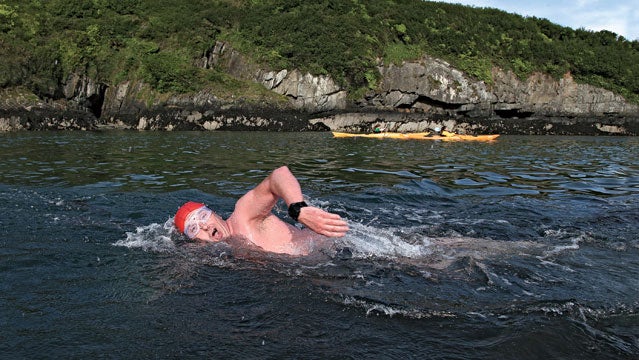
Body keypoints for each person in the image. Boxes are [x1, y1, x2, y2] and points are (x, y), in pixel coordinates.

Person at [174, 166, 349, 255]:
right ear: (194, 241)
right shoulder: (226, 253)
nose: (204, 226)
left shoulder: (243, 215)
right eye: (193, 228)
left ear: (216, 214)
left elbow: (279, 175)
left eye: (203, 216)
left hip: (341, 248)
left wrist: (298, 210)